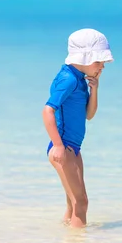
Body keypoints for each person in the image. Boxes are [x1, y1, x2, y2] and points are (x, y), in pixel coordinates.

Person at [42, 28, 114, 227]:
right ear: (84, 57)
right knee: (81, 203)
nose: (102, 67)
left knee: (73, 205)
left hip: (74, 148)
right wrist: (57, 146)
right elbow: (47, 111)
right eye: (99, 61)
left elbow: (88, 115)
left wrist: (95, 88)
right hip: (63, 147)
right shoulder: (68, 79)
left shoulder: (80, 80)